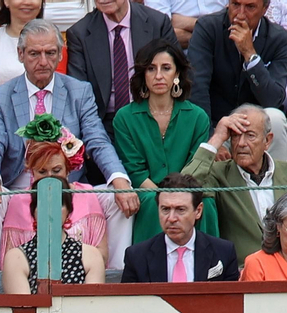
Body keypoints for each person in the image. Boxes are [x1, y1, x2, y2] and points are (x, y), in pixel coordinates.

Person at [0, 19, 139, 273]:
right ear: (20, 54)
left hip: (70, 186)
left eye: (50, 53)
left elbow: (97, 139)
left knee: (117, 195)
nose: (43, 61)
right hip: (19, 187)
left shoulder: (79, 91)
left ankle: (116, 275)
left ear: (60, 54)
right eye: (34, 53)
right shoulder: (1, 96)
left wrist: (119, 179)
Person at [112, 39, 216, 245]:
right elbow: (136, 171)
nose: (158, 76)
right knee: (154, 203)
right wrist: (164, 198)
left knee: (207, 202)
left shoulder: (197, 117)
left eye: (166, 68)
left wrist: (177, 197)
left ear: (177, 74)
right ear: (143, 74)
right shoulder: (124, 118)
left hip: (188, 189)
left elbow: (194, 170)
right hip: (147, 191)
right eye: (151, 69)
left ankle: (210, 270)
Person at [182, 103, 287, 260]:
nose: (241, 143)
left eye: (250, 135)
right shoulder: (218, 173)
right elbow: (182, 189)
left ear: (267, 140)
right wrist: (217, 138)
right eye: (235, 135)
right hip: (241, 274)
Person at [0, 132, 132, 272]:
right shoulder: (18, 201)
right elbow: (10, 261)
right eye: (42, 172)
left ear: (68, 169)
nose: (50, 178)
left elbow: (101, 254)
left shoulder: (86, 195)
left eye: (56, 170)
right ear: (32, 172)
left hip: (81, 278)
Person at [186, 0, 287, 159]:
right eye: (236, 4)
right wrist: (213, 139)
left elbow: (273, 99)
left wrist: (250, 55)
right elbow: (197, 87)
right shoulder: (208, 27)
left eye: (250, 7)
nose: (240, 14)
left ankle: (273, 182)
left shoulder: (280, 39)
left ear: (265, 9)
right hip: (216, 124)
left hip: (255, 126)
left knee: (276, 118)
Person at [67, 0, 179, 138]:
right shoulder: (80, 33)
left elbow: (179, 71)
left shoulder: (157, 23)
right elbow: (77, 93)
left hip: (153, 116)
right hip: (105, 124)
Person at [0, 0, 62, 153]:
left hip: (43, 121)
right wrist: (30, 93)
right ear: (6, 2)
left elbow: (56, 89)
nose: (27, 2)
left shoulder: (53, 40)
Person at [121, 172, 242, 281]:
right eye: (165, 209)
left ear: (198, 211)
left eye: (180, 209)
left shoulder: (224, 252)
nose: (172, 218)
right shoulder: (137, 257)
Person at [2, 175, 109, 292]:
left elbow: (91, 306)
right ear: (33, 211)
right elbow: (24, 307)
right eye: (43, 203)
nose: (50, 209)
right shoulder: (16, 257)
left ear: (69, 211)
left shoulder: (90, 256)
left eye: (59, 203)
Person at [146, 0, 229, 48]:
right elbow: (161, 31)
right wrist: (213, 32)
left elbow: (232, 21)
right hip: (178, 61)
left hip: (223, 56)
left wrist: (178, 21)